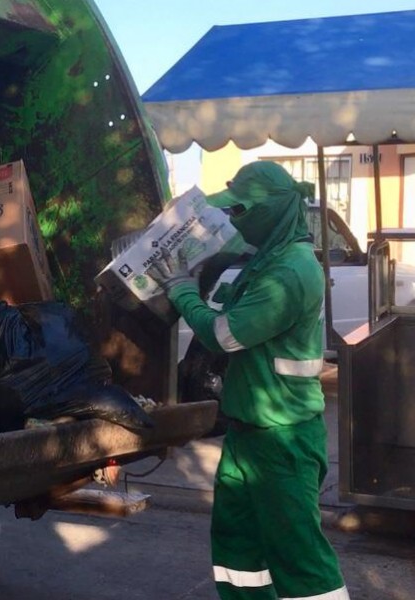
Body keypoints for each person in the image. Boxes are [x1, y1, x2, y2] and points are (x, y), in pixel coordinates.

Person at [147, 161, 350, 600]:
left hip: (283, 441)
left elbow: (225, 334)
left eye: (242, 212)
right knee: (238, 553)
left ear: (271, 211)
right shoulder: (267, 259)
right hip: (247, 436)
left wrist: (181, 289)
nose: (236, 220)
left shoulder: (290, 272)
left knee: (299, 558)